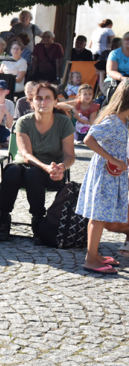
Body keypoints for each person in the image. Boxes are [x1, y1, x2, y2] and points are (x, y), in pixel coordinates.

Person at [0, 82, 76, 243]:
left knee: (34, 174)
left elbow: (70, 156)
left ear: (55, 102)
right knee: (12, 170)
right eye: (38, 98)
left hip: (52, 174)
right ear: (31, 102)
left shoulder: (64, 122)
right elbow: (26, 155)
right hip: (26, 166)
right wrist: (45, 167)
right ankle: (3, 217)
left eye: (47, 98)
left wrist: (61, 167)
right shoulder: (24, 122)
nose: (43, 102)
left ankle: (38, 221)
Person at [76, 83, 129, 274]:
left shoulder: (123, 121)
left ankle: (94, 255)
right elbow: (88, 139)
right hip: (105, 174)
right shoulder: (113, 121)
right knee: (98, 218)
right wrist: (113, 159)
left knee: (99, 217)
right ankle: (91, 259)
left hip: (112, 174)